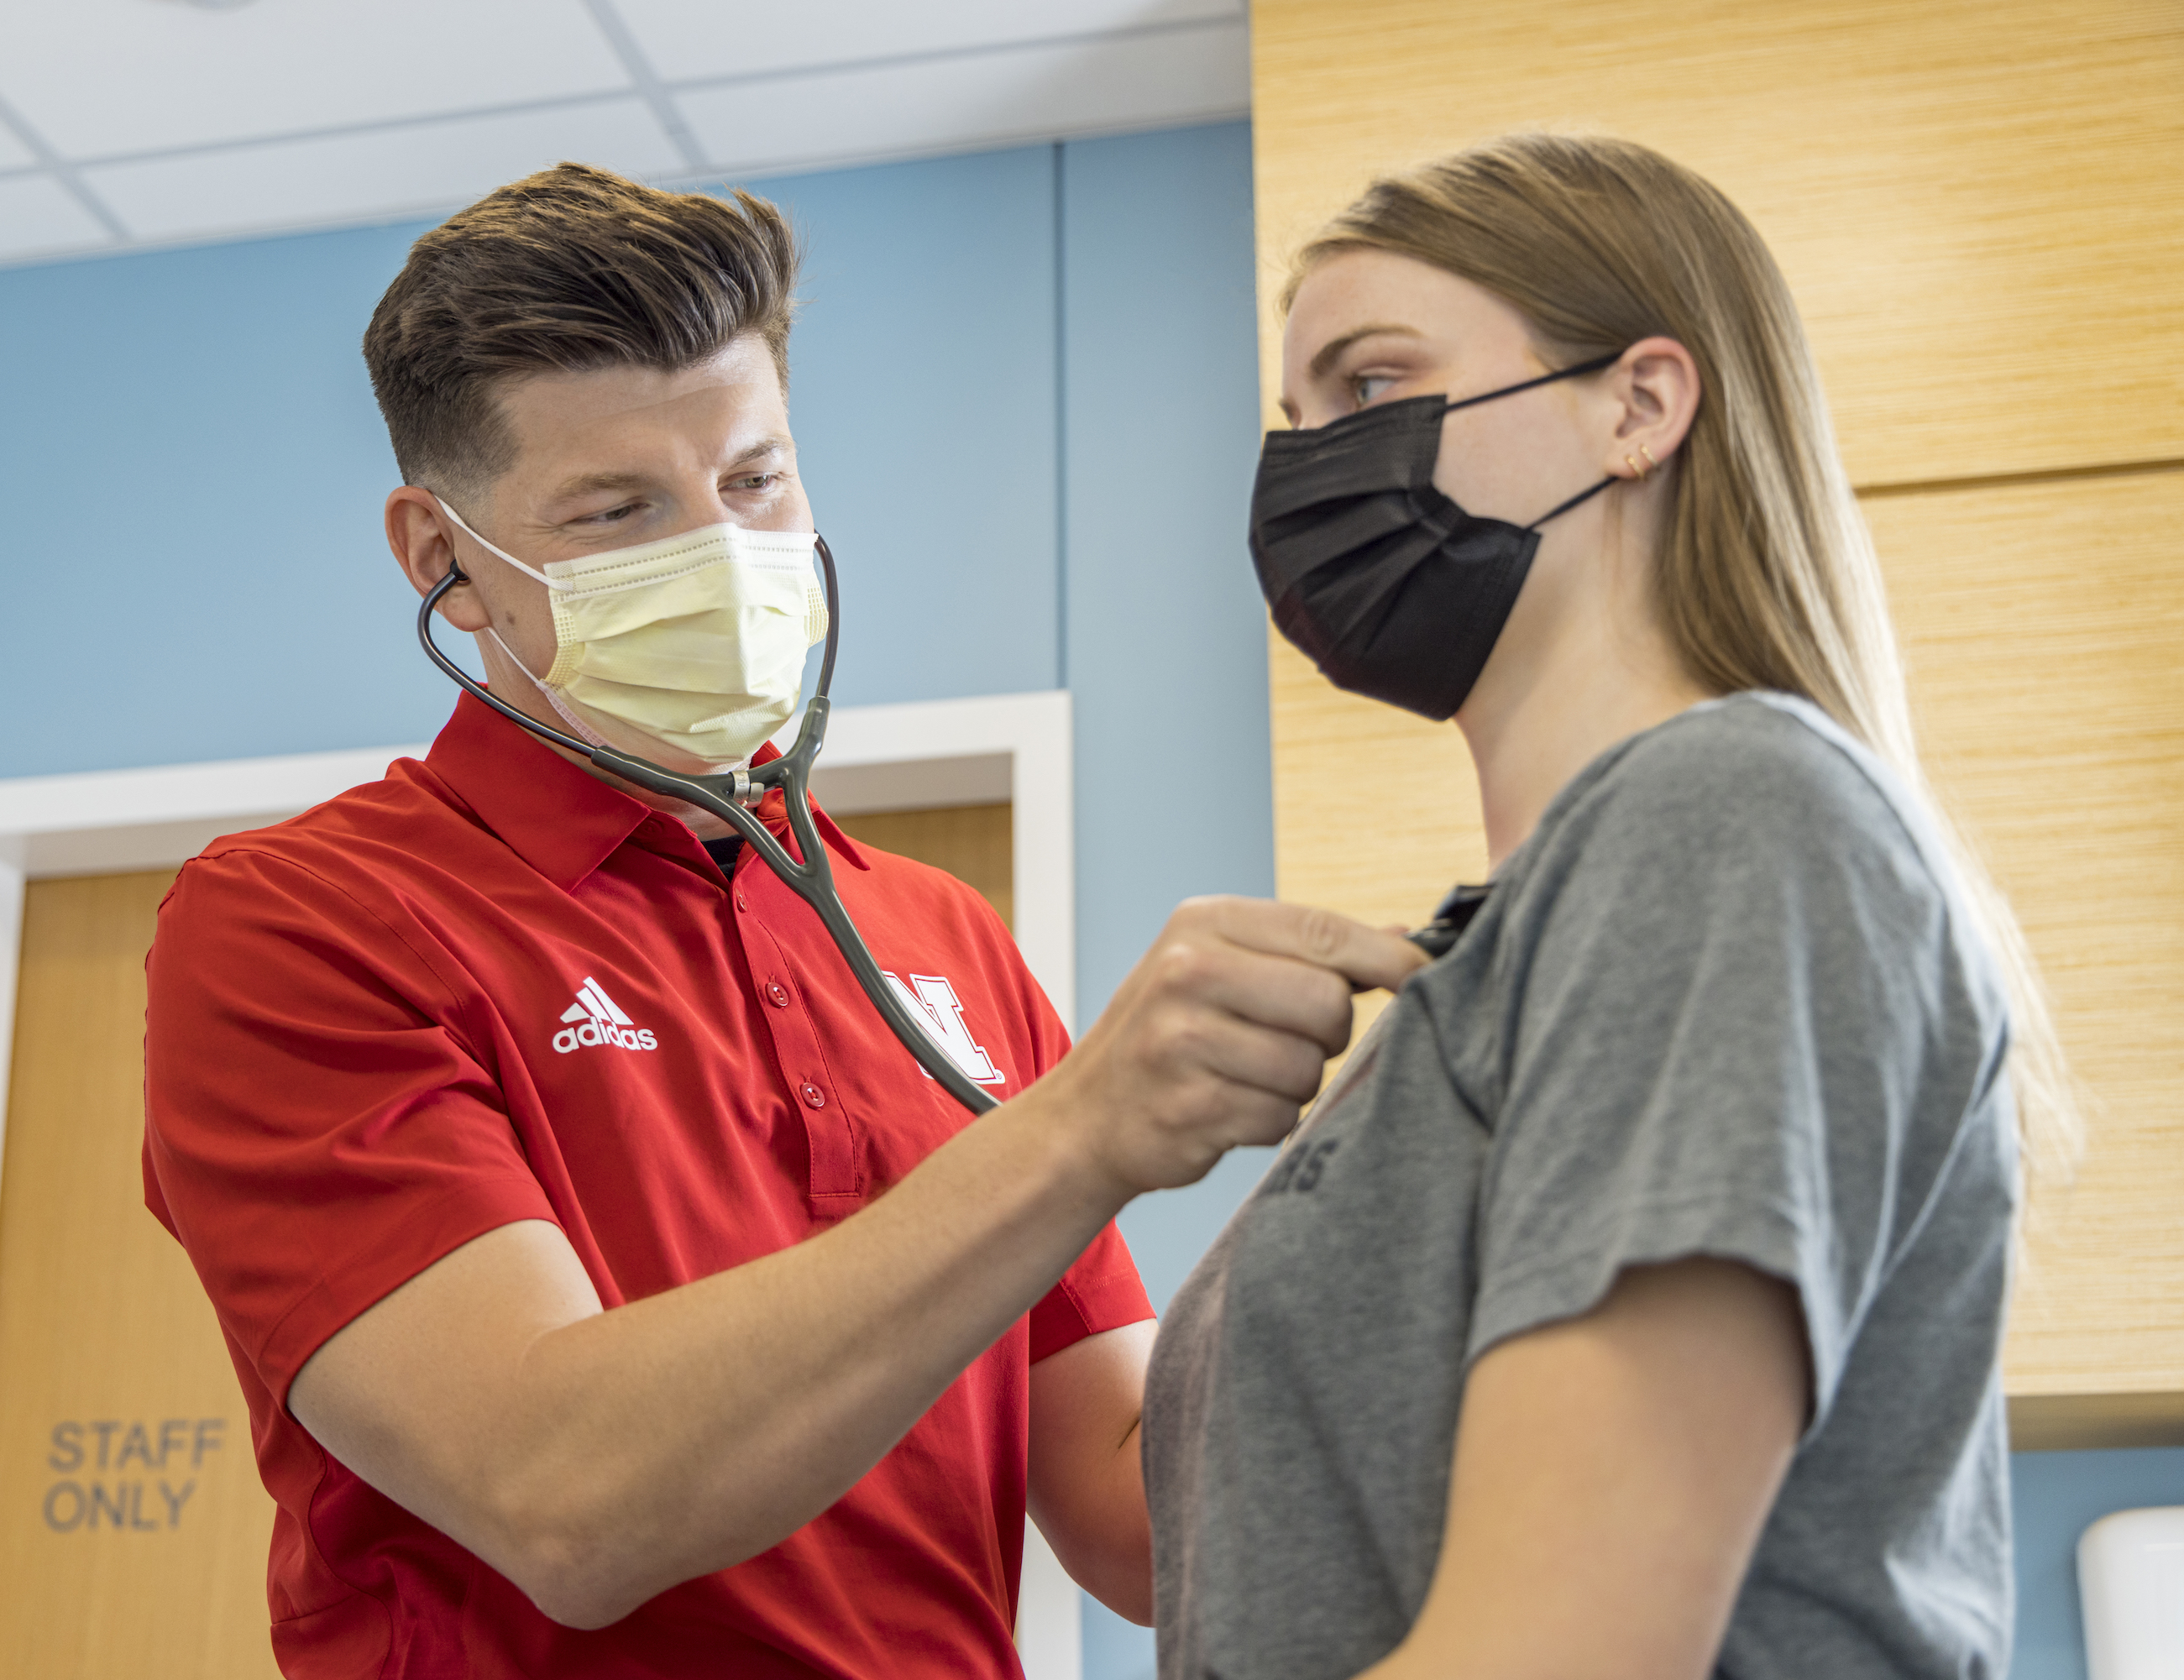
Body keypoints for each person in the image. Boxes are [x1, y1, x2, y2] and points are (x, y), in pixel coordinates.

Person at [140, 163, 1418, 1678]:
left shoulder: (933, 931)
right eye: (618, 510)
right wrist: (1081, 1131)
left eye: (755, 483)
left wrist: (1424, 1201)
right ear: (445, 561)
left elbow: (1141, 1523)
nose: (721, 554)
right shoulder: (307, 923)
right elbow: (569, 1502)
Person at [1144, 133, 2079, 1680]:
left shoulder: (1721, 819)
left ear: (1639, 406)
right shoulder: (1493, 948)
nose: (1312, 467)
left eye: (1369, 389)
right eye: (1296, 418)